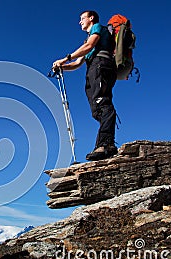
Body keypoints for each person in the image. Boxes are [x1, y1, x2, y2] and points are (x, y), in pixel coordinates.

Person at [52, 10, 118, 161]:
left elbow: (89, 46)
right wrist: (62, 66)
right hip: (94, 69)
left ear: (91, 18)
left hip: (101, 66)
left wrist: (65, 58)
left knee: (102, 102)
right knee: (96, 108)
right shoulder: (87, 39)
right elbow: (77, 63)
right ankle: (105, 143)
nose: (80, 21)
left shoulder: (97, 28)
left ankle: (105, 144)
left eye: (82, 18)